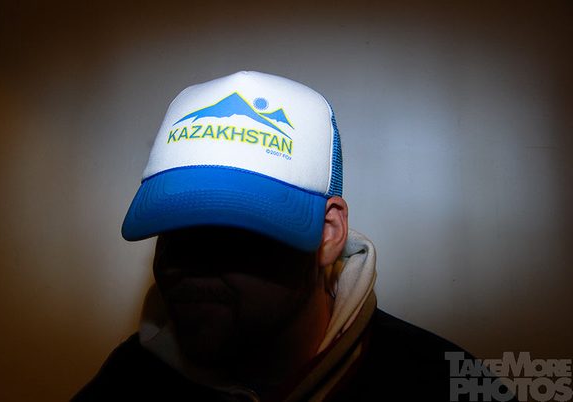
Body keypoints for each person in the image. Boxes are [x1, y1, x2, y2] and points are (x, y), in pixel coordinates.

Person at [73, 71, 516, 401]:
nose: (187, 267)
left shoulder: (439, 384)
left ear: (328, 234)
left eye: (234, 234)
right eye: (174, 229)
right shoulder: (128, 382)